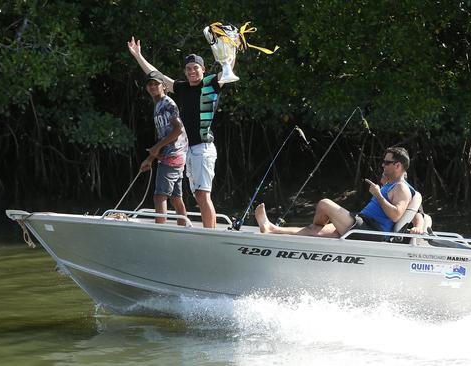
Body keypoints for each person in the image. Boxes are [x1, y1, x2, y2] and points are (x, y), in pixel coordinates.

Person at [128, 36, 231, 228]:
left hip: (204, 147)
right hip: (189, 151)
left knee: (202, 194)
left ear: (203, 70)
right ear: (185, 71)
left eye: (196, 68)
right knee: (197, 195)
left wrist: (230, 50)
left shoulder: (210, 85)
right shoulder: (181, 88)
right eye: (188, 68)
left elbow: (228, 70)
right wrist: (138, 56)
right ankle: (202, 233)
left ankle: (210, 237)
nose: (192, 71)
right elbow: (156, 74)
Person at [255, 147, 415, 238]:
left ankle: (316, 226)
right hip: (361, 223)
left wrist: (378, 195)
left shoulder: (402, 188)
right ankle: (271, 229)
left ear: (398, 166)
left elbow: (395, 215)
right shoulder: (391, 185)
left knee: (325, 204)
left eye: (387, 162)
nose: (383, 165)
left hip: (371, 230)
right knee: (316, 232)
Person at [139, 70, 188, 226]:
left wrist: (156, 147)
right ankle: (183, 229)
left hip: (172, 155)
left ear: (164, 86)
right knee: (175, 197)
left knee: (159, 196)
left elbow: (178, 129)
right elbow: (163, 137)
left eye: (156, 84)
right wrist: (150, 158)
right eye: (150, 84)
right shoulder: (158, 105)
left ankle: (159, 231)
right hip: (173, 155)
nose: (153, 87)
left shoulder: (167, 103)